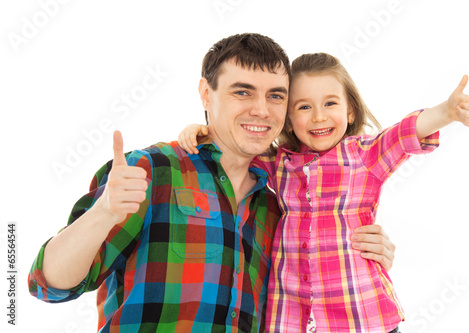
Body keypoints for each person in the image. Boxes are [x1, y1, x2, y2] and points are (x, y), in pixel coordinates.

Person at [28, 34, 396, 332]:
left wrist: (363, 251)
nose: (261, 110)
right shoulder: (152, 170)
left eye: (276, 96)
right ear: (206, 93)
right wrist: (102, 214)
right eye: (242, 91)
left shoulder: (274, 206)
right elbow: (48, 283)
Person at [178, 53, 469, 332]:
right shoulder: (279, 161)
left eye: (330, 104)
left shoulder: (364, 155)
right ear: (288, 120)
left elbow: (404, 133)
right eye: (304, 107)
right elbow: (236, 146)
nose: (318, 117)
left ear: (350, 112)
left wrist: (447, 112)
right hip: (291, 313)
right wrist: (203, 130)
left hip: (360, 312)